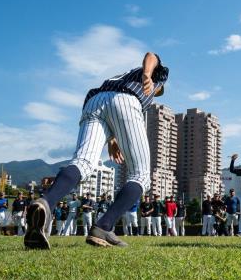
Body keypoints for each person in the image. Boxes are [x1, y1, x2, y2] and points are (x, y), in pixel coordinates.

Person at [23, 52, 169, 249]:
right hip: (126, 100)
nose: (157, 92)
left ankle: (46, 202)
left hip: (95, 101)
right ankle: (104, 226)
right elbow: (152, 55)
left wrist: (112, 139)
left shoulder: (120, 76)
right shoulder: (152, 77)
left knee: (83, 162)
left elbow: (111, 106)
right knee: (141, 176)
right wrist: (148, 75)